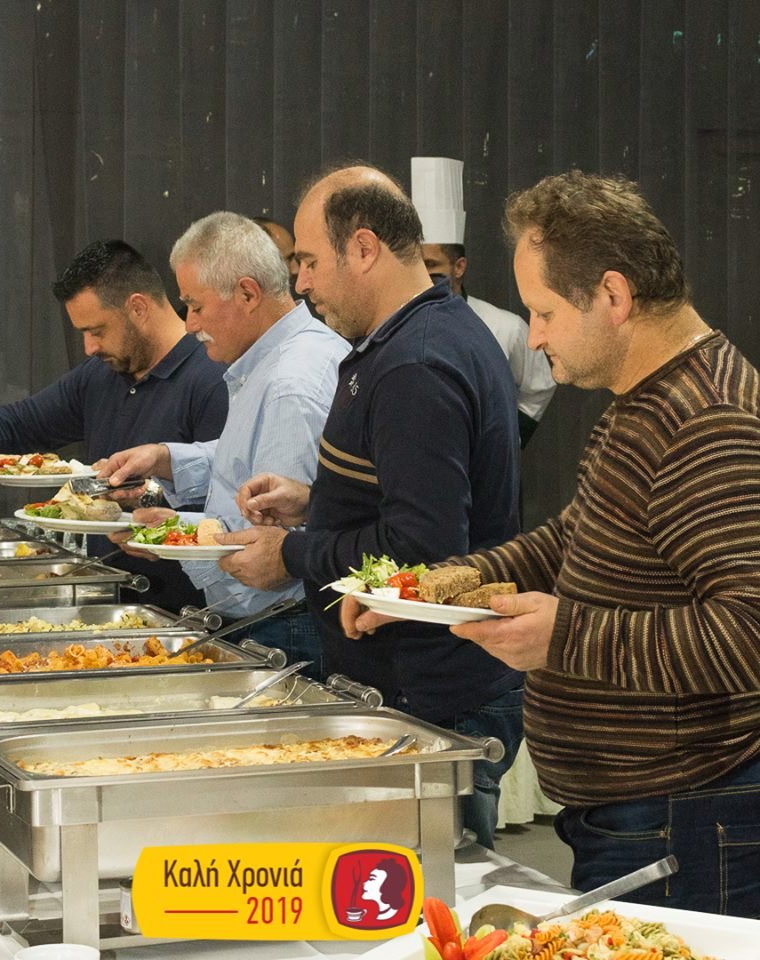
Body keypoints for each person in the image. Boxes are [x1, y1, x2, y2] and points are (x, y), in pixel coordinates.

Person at [342, 170, 760, 918]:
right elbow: (573, 539)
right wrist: (434, 585)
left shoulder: (708, 420)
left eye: (544, 312)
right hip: (640, 808)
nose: (532, 337)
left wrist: (563, 637)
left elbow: (747, 633)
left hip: (685, 811)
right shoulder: (646, 396)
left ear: (613, 295)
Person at [218, 164, 524, 848]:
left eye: (308, 261)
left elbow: (425, 548)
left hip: (430, 694)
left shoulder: (416, 363)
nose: (301, 283)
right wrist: (317, 503)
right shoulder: (418, 334)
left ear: (363, 248)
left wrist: (292, 554)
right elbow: (410, 498)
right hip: (412, 684)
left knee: (419, 897)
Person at [0, 239, 228, 612]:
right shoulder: (101, 375)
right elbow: (23, 423)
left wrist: (148, 498)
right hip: (112, 598)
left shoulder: (211, 378)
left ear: (138, 307)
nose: (89, 347)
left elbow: (224, 505)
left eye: (97, 331)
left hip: (188, 610)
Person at [97, 212, 348, 675]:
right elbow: (250, 463)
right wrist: (167, 459)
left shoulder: (290, 382)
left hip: (285, 621)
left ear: (248, 294)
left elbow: (267, 548)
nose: (190, 324)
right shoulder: (282, 357)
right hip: (279, 617)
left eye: (195, 306)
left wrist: (173, 533)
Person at [411, 156, 555, 446]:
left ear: (459, 267)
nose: (424, 277)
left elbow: (539, 384)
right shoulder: (400, 327)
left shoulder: (505, 327)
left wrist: (509, 437)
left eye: (432, 265)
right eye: (416, 266)